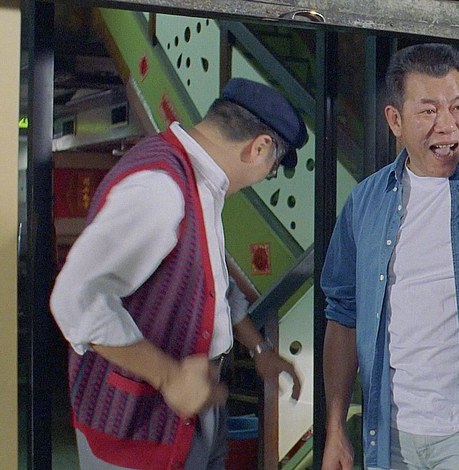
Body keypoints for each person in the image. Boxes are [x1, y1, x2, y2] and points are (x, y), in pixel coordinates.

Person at [50, 78, 304, 469]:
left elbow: (214, 286)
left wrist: (258, 350)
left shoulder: (203, 182)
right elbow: (75, 298)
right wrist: (169, 377)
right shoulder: (161, 187)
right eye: (269, 170)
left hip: (198, 409)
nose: (260, 179)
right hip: (139, 424)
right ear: (259, 148)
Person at [320, 43, 459, 469]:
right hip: (392, 437)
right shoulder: (365, 203)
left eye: (458, 107)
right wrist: (335, 427)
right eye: (428, 111)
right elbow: (343, 316)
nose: (448, 126)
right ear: (395, 120)